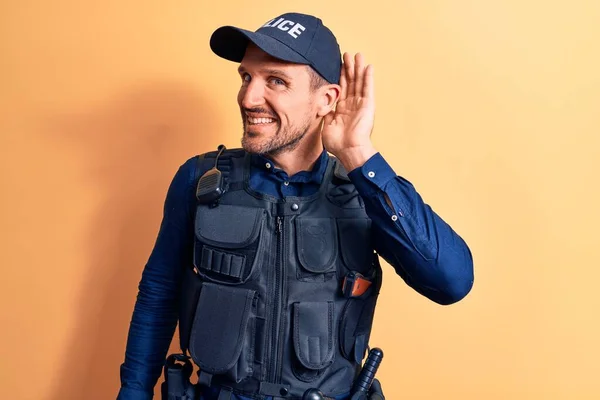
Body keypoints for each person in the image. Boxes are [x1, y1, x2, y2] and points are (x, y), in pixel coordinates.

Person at [117, 12, 474, 400]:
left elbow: (451, 281)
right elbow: (159, 292)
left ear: (326, 100)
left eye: (276, 81)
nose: (249, 97)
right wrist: (133, 392)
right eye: (246, 77)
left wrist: (359, 155)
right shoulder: (200, 181)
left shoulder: (364, 193)